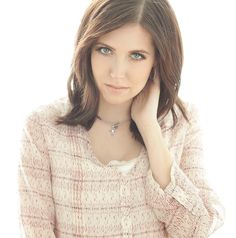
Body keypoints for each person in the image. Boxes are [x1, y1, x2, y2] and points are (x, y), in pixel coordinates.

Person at [18, 0, 225, 237]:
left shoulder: (181, 124)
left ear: (158, 60)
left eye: (136, 56)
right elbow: (37, 230)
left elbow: (195, 230)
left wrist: (150, 129)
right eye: (105, 50)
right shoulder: (43, 128)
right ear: (87, 49)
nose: (117, 72)